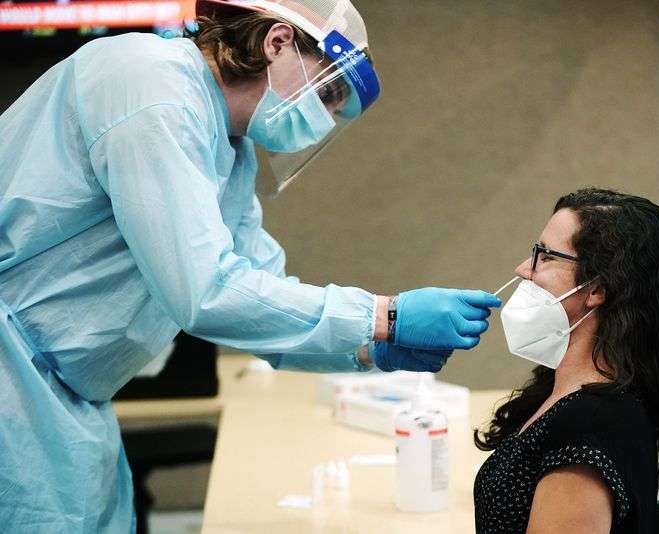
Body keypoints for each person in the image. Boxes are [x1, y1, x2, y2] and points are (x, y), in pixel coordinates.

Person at [0, 0, 501, 531]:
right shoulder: (149, 85)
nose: (324, 118)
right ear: (277, 42)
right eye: (328, 93)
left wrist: (370, 349)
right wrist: (388, 315)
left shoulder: (229, 152)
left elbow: (260, 299)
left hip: (62, 396)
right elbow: (207, 292)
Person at [473, 188, 659, 534]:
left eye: (545, 256)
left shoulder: (590, 426)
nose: (522, 269)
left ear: (597, 289)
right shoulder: (565, 392)